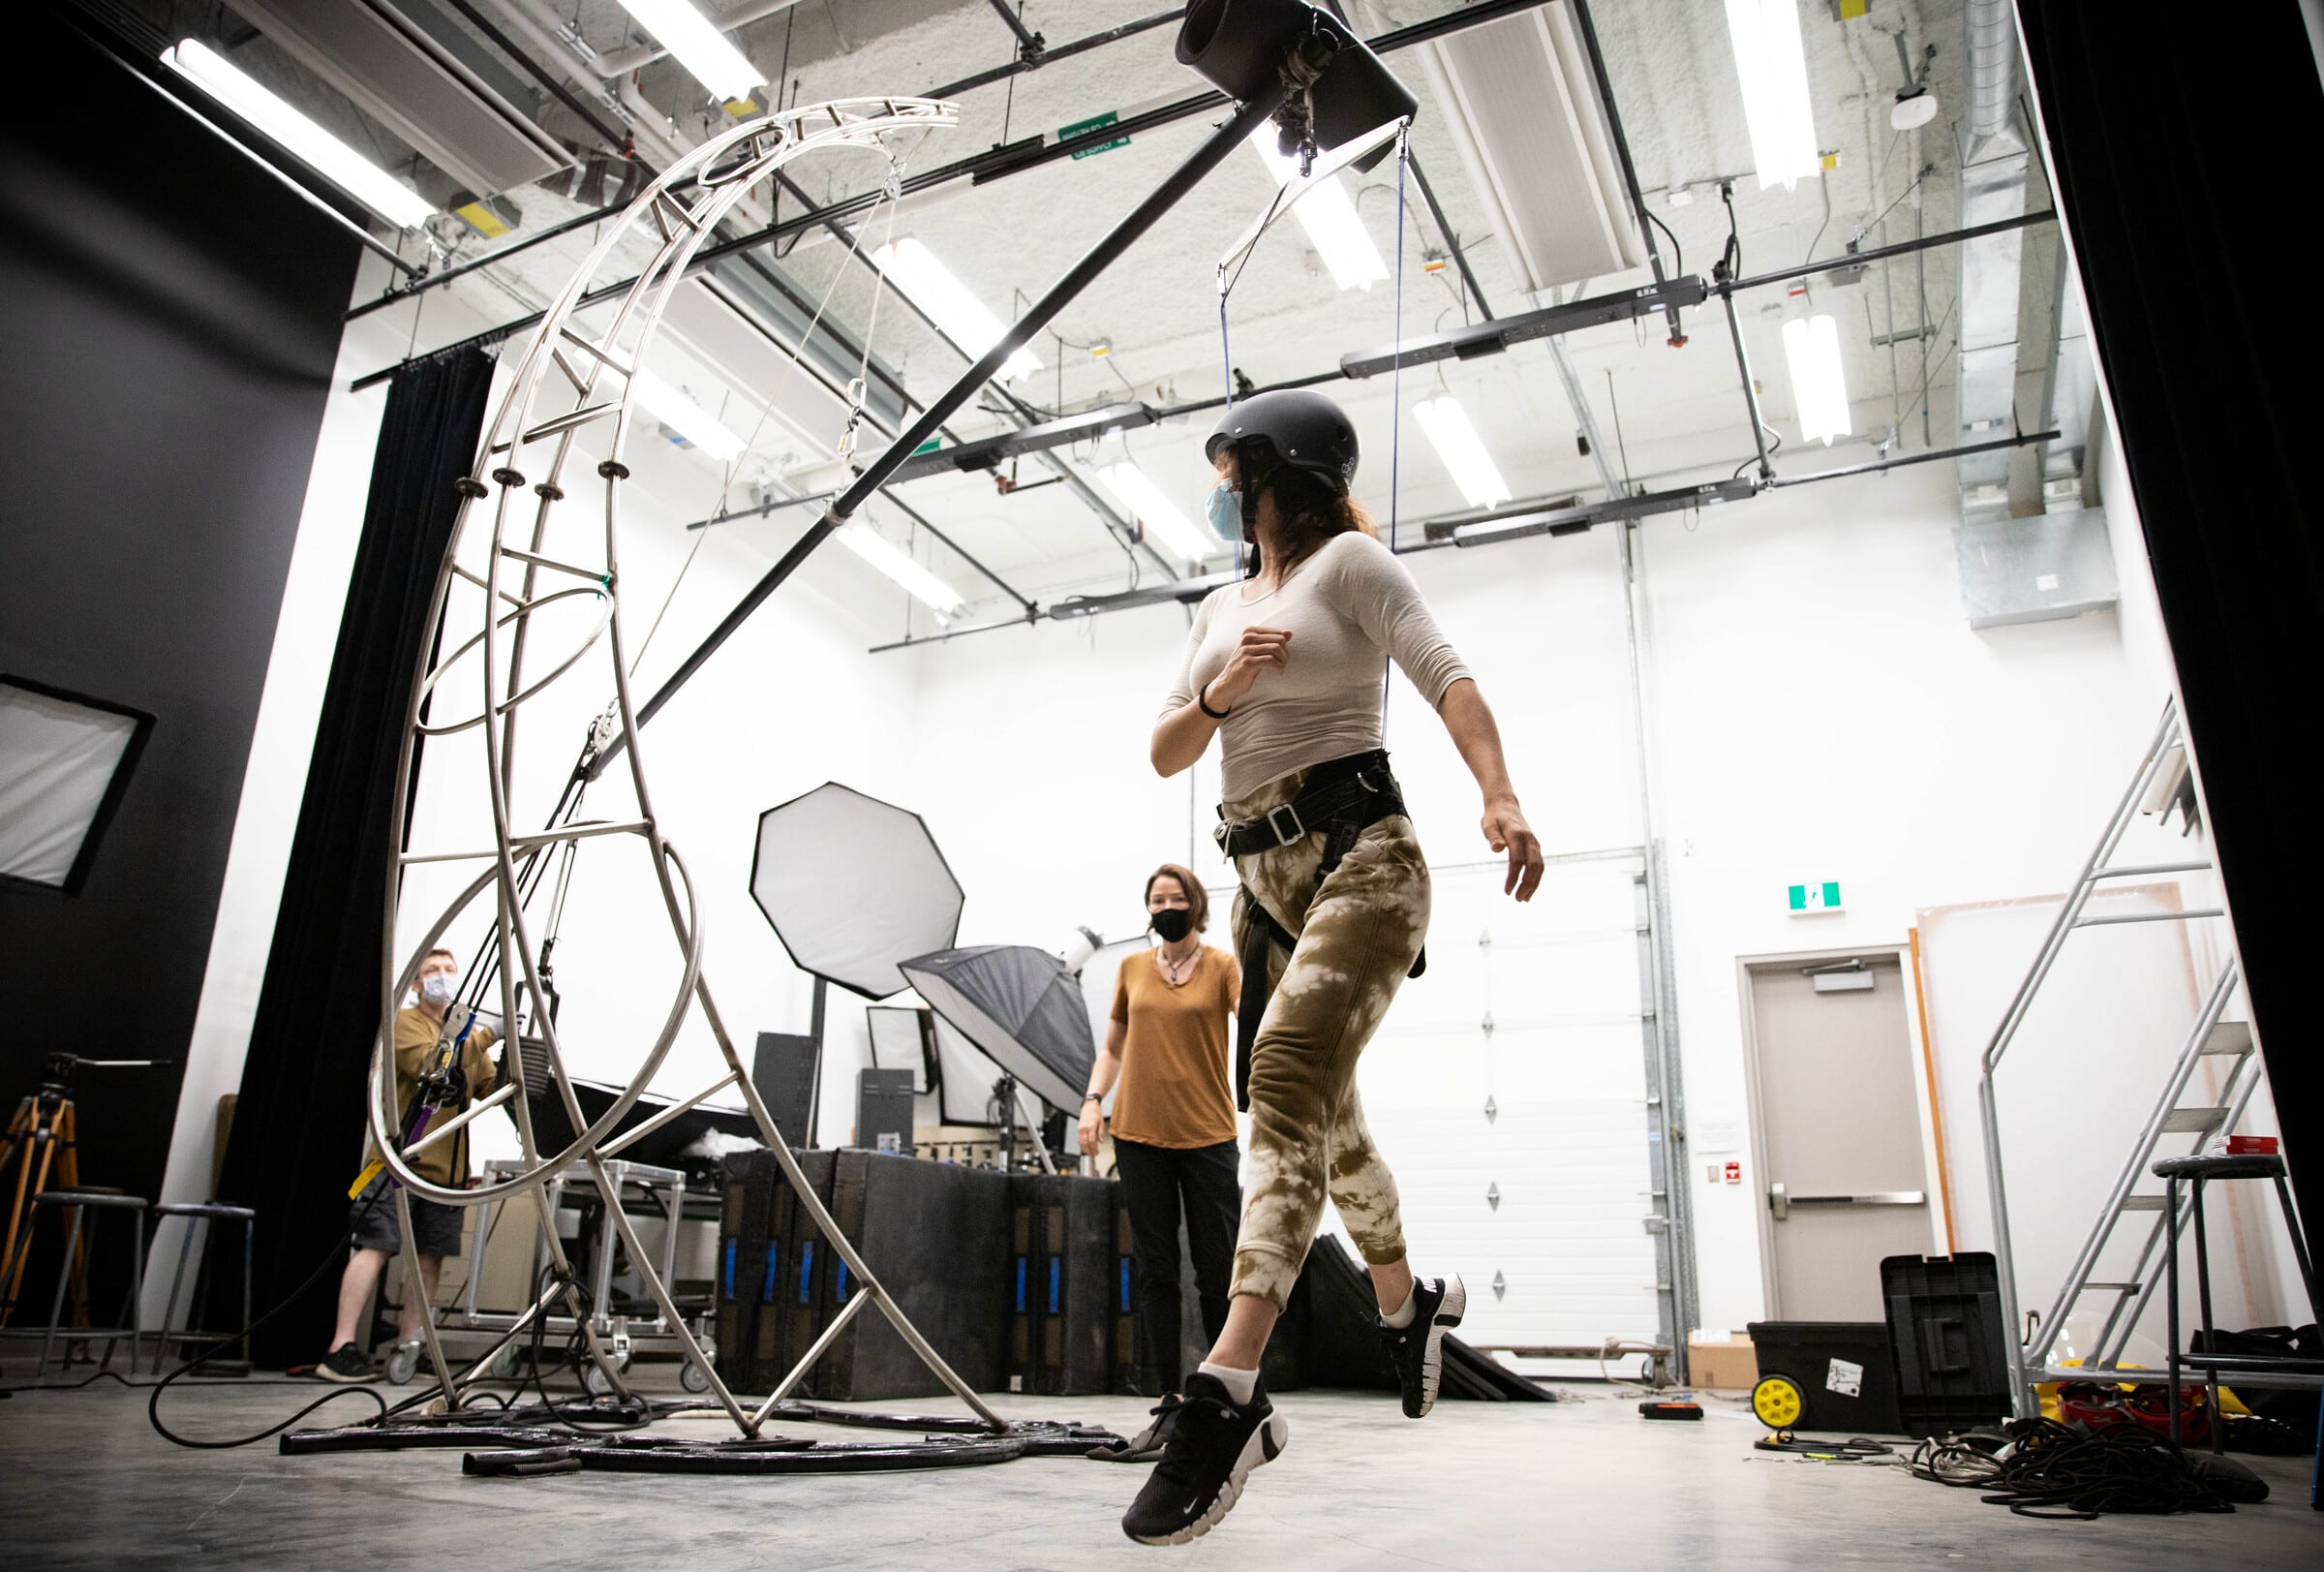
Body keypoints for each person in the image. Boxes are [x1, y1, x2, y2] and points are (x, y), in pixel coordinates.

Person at [1120, 389, 1544, 1545]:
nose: (1219, 492)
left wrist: (1496, 793)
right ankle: (1409, 1309)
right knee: (1323, 1117)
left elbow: (1446, 676)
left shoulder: (1351, 563)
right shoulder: (1217, 607)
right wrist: (1225, 690)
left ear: (1281, 477)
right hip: (1262, 882)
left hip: (1364, 855)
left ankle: (1230, 1391)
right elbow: (1167, 751)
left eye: (1231, 471)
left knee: (1286, 1075)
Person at [1079, 864, 1240, 1456]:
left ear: (1194, 906)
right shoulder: (1131, 969)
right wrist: (1094, 1101)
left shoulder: (1224, 966)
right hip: (1140, 1135)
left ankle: (1226, 1401)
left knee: (1218, 1272)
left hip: (1209, 1135)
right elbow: (1114, 1044)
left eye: (1175, 898)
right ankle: (1169, 1405)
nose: (1165, 906)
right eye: (1156, 899)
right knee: (1155, 1272)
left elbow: (1255, 1025)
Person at [317, 947, 500, 1382]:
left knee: (430, 1259)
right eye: (431, 971)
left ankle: (410, 1345)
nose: (442, 976)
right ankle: (340, 1347)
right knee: (375, 1246)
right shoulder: (404, 1024)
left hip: (447, 1173)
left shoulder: (465, 1033)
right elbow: (432, 1063)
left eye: (448, 970)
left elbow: (488, 1082)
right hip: (398, 1165)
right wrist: (489, 1032)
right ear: (416, 984)